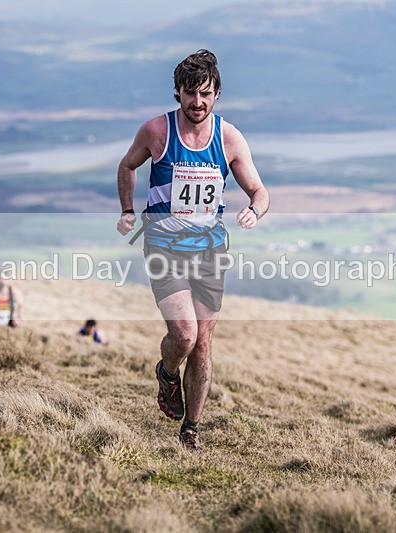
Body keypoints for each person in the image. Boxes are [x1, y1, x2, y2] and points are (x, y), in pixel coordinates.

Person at [116, 50, 269, 451]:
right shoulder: (156, 132)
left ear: (217, 94)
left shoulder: (229, 137)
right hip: (164, 245)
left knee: (203, 340)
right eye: (189, 93)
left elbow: (259, 190)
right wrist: (128, 210)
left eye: (205, 93)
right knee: (183, 335)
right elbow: (127, 166)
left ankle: (191, 429)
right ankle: (167, 373)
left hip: (209, 250)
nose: (197, 102)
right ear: (177, 94)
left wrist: (254, 210)